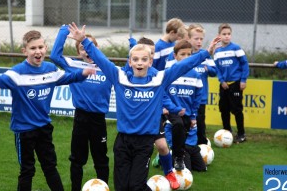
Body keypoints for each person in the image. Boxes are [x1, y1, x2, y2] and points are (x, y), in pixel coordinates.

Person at [68, 22, 220, 191]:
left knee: (136, 186)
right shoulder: (120, 77)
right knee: (122, 187)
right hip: (123, 141)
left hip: (144, 143)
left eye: (144, 59)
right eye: (135, 59)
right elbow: (100, 59)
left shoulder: (159, 79)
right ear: (130, 62)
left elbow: (183, 65)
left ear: (150, 62)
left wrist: (206, 53)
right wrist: (83, 40)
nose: (139, 62)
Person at [0, 30, 95, 191]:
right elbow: (0, 81)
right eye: (33, 48)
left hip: (44, 128)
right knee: (28, 170)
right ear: (25, 51)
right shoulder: (17, 73)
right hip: (24, 131)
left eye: (40, 47)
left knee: (50, 167)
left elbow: (68, 77)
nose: (38, 51)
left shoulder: (50, 69)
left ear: (45, 48)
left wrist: (83, 73)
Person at [50, 25, 112, 191]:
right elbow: (54, 55)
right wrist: (64, 31)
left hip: (99, 120)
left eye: (90, 46)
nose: (86, 51)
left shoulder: (108, 68)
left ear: (96, 48)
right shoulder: (74, 65)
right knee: (77, 159)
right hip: (81, 118)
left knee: (101, 159)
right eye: (82, 48)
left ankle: (103, 187)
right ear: (79, 53)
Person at [127, 36, 180, 190]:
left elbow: (163, 96)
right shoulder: (128, 72)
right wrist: (132, 43)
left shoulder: (157, 74)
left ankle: (169, 171)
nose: (144, 58)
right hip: (134, 121)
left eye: (150, 54)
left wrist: (172, 108)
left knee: (162, 146)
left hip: (152, 118)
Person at [163, 40, 203, 171]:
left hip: (187, 115)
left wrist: (192, 116)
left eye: (189, 55)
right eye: (182, 54)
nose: (186, 58)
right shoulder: (169, 73)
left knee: (201, 168)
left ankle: (165, 156)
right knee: (178, 127)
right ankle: (176, 159)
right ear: (175, 56)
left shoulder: (196, 75)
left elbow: (197, 99)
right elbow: (162, 92)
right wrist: (167, 108)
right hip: (172, 113)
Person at [213, 23, 249, 144]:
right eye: (224, 34)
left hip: (235, 83)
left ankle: (241, 134)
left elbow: (245, 64)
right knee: (224, 109)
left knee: (237, 109)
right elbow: (217, 68)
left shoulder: (236, 48)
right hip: (224, 85)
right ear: (219, 36)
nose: (227, 36)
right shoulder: (217, 51)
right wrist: (222, 80)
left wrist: (243, 80)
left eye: (229, 34)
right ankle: (227, 132)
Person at [187, 24, 218, 145]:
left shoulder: (206, 56)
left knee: (200, 124)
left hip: (200, 99)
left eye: (201, 39)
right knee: (186, 125)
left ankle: (202, 148)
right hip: (186, 97)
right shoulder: (185, 55)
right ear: (189, 39)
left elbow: (214, 72)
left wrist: (208, 69)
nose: (199, 41)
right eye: (196, 38)